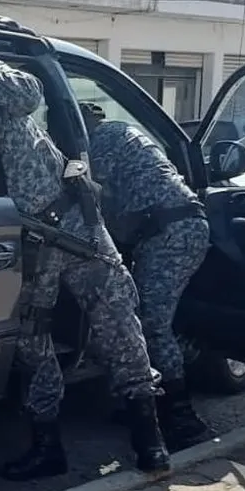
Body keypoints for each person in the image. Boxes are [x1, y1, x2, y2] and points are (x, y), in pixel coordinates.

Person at [0, 48, 171, 482]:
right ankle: (46, 446)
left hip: (75, 226)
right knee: (33, 341)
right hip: (29, 241)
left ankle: (150, 441)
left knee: (117, 320)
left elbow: (28, 92)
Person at [80, 103, 213, 453]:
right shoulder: (125, 134)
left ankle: (182, 419)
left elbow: (91, 192)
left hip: (171, 233)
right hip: (173, 228)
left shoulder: (103, 139)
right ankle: (148, 402)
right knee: (141, 317)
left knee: (153, 324)